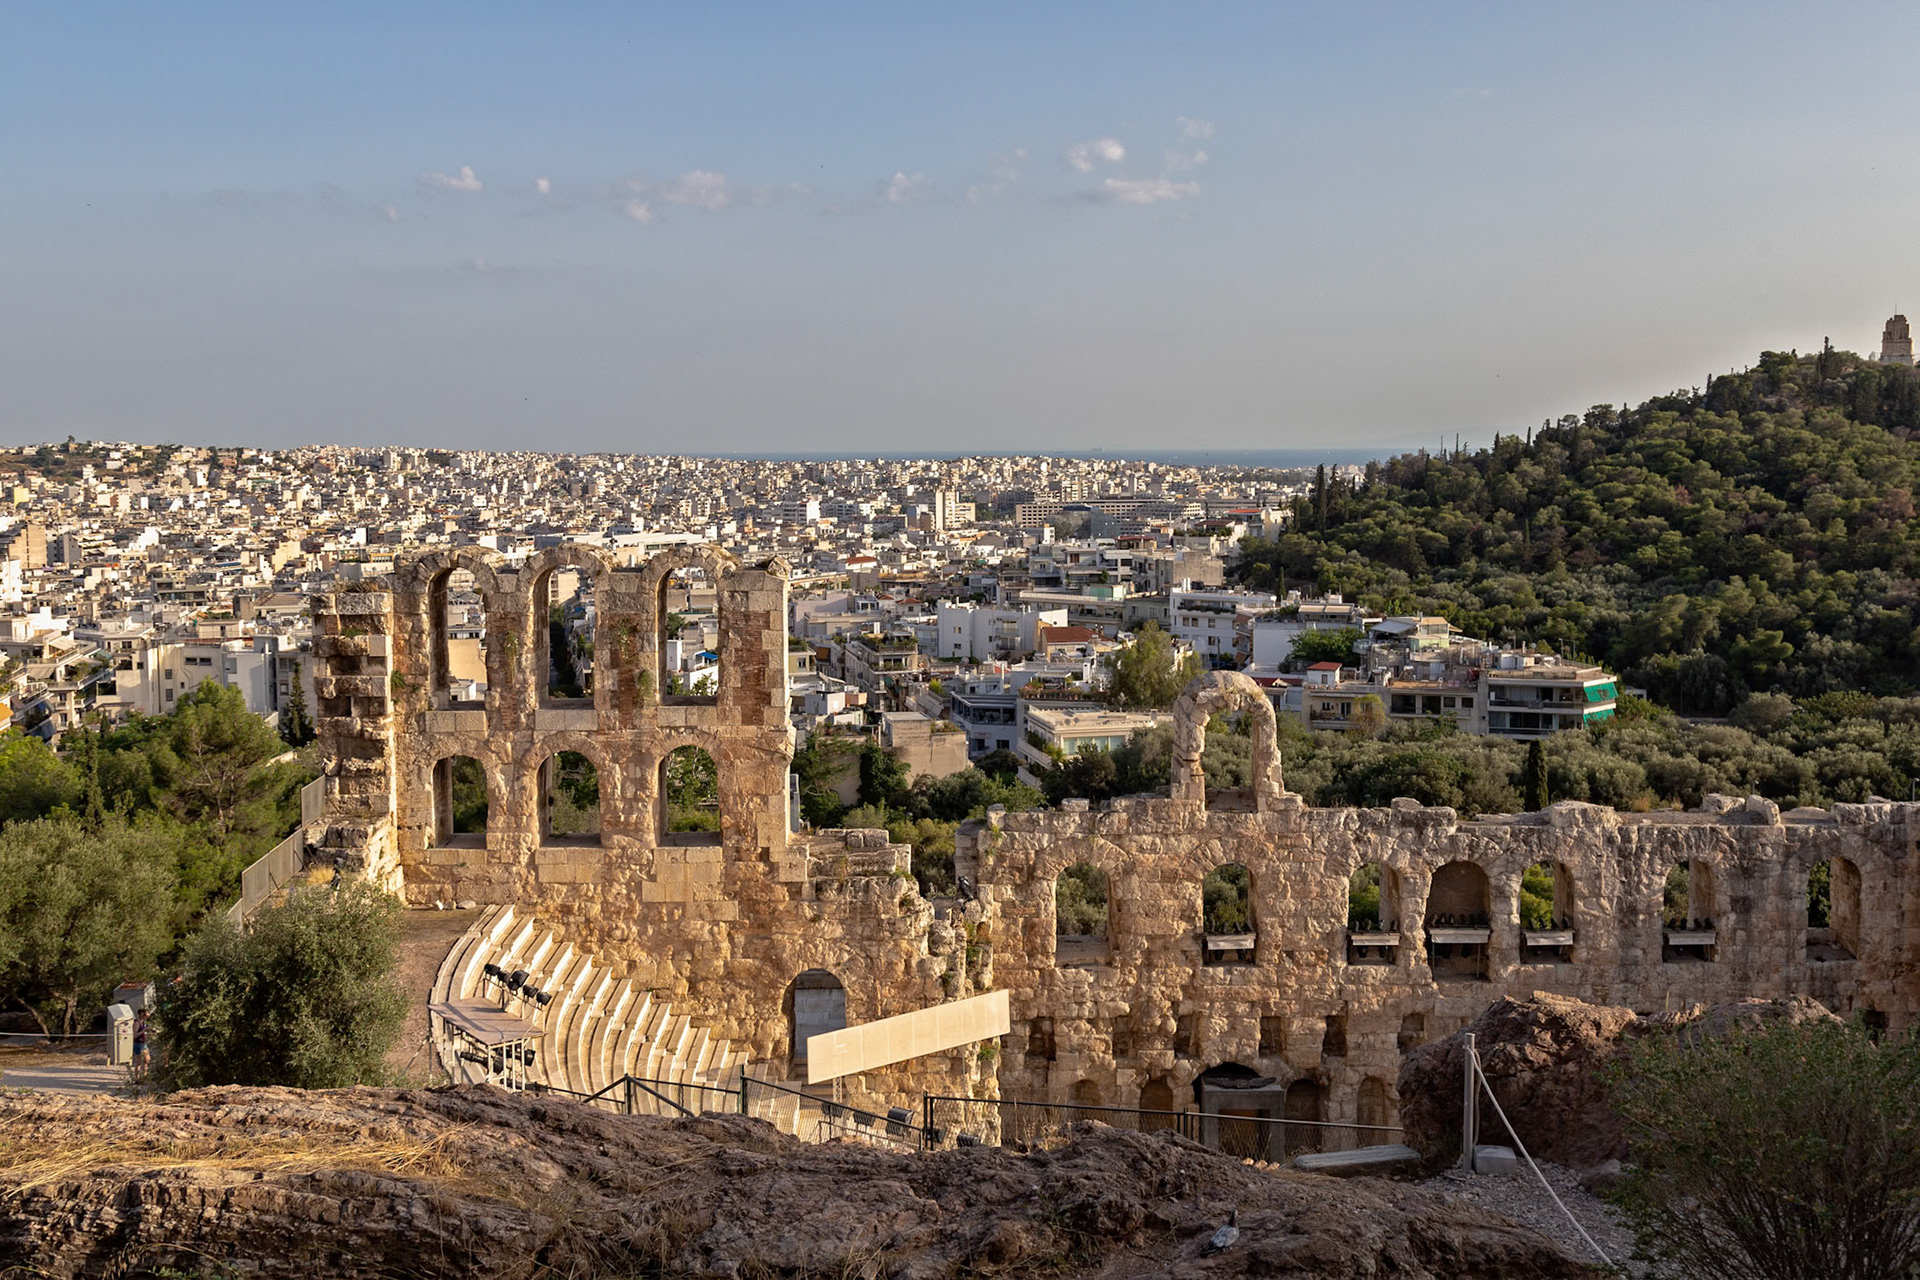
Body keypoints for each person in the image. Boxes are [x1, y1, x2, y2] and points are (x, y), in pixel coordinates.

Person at [131, 1012, 150, 1083]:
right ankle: (138, 1078)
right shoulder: (136, 1023)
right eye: (146, 1016)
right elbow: (135, 1035)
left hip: (142, 1043)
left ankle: (144, 1076)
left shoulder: (142, 1022)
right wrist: (144, 1030)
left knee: (146, 1060)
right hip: (139, 1044)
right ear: (142, 1014)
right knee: (140, 1062)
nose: (147, 1018)